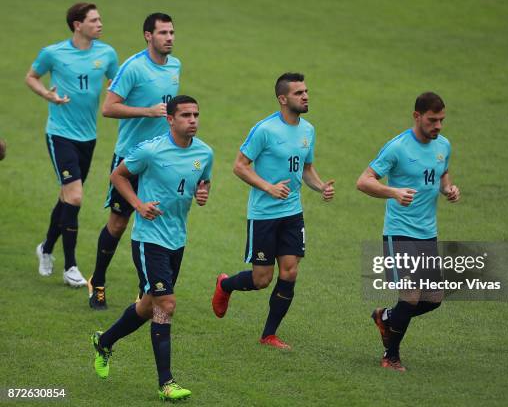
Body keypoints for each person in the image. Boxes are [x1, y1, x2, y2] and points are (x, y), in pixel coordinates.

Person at [91, 95, 212, 401]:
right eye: (185, 115)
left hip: (177, 240)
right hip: (149, 240)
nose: (193, 120)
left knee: (147, 306)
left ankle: (104, 342)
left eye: (196, 114)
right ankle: (166, 383)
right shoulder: (151, 150)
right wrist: (138, 204)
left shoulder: (204, 152)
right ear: (170, 119)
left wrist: (202, 193)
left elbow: (203, 181)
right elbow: (117, 175)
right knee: (166, 305)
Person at [211, 72, 335, 350]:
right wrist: (268, 187)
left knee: (290, 272)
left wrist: (320, 187)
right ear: (282, 98)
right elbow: (239, 166)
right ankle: (225, 285)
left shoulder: (308, 130)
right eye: (298, 93)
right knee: (261, 279)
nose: (305, 96)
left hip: (292, 212)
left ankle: (269, 334)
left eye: (306, 91)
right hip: (264, 215)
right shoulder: (264, 130)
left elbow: (306, 169)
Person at [356, 92, 460, 371]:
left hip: (428, 232)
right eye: (432, 120)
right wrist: (393, 192)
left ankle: (386, 317)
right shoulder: (397, 148)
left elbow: (443, 172)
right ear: (417, 116)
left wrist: (448, 188)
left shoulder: (443, 145)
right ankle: (391, 357)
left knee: (434, 299)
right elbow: (363, 182)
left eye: (441, 120)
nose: (438, 126)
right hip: (399, 232)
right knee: (411, 296)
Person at [87, 12, 181, 309]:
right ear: (148, 36)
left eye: (172, 32)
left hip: (161, 160)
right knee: (118, 223)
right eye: (163, 33)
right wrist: (147, 111)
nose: (169, 38)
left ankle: (146, 290)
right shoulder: (133, 67)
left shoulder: (175, 66)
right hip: (130, 158)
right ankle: (97, 280)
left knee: (153, 221)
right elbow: (108, 108)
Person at [26, 2, 118, 287]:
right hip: (60, 134)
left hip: (88, 137)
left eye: (100, 19)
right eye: (94, 20)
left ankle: (46, 248)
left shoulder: (107, 53)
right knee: (75, 196)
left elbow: (117, 84)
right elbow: (31, 77)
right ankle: (71, 266)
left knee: (67, 196)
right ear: (78, 25)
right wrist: (47, 95)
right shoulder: (53, 53)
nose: (100, 24)